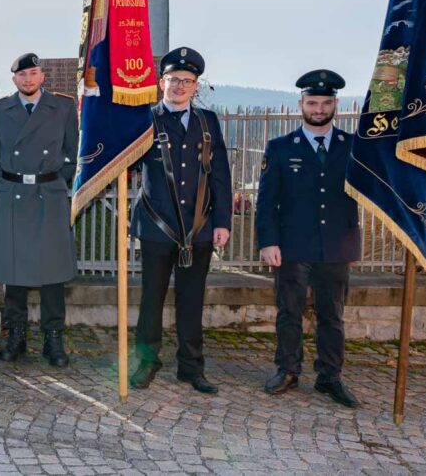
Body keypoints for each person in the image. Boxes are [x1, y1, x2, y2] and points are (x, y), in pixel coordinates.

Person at [129, 47, 232, 394]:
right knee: (151, 299)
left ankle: (191, 367)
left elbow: (220, 175)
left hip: (199, 227)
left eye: (187, 82)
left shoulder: (208, 122)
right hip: (158, 226)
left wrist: (222, 222)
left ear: (195, 86)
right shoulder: (145, 118)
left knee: (192, 300)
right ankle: (147, 361)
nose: (179, 86)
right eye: (174, 80)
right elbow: (124, 164)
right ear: (162, 83)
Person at [256, 69, 360, 408]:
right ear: (300, 104)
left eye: (325, 102)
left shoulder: (354, 148)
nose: (318, 108)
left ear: (335, 104)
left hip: (336, 245)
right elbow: (267, 202)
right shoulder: (281, 148)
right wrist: (267, 242)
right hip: (292, 246)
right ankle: (288, 369)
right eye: (312, 102)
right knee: (290, 311)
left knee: (332, 315)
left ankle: (330, 377)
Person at [0, 53, 79, 367]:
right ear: (14, 79)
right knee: (14, 270)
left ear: (42, 76)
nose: (28, 80)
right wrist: (13, 181)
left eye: (34, 74)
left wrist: (53, 181)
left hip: (49, 194)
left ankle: (53, 338)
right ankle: (16, 334)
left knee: (52, 273)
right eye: (22, 75)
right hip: (13, 195)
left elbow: (74, 152)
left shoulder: (63, 107)